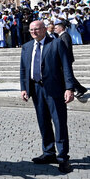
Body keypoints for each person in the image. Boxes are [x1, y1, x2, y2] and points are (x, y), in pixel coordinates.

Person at [20, 20, 75, 174]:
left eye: (36, 29)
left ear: (44, 29)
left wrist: (69, 88)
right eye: (31, 30)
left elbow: (66, 66)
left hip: (55, 89)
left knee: (59, 122)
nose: (33, 32)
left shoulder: (56, 43)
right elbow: (24, 69)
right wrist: (24, 88)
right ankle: (49, 152)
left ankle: (63, 157)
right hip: (36, 90)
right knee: (43, 122)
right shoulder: (26, 47)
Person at [54, 22, 88, 98]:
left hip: (66, 59)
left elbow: (65, 48)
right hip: (63, 59)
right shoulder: (61, 36)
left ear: (61, 28)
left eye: (56, 28)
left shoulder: (65, 36)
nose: (55, 29)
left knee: (68, 75)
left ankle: (80, 89)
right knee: (66, 75)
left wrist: (62, 58)